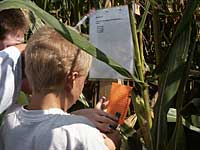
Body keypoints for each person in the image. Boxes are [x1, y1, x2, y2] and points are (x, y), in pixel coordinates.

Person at [0, 26, 120, 149]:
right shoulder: (80, 132)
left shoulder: (9, 119)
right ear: (72, 79)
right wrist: (111, 144)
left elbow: (43, 122)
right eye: (84, 80)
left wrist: (76, 118)